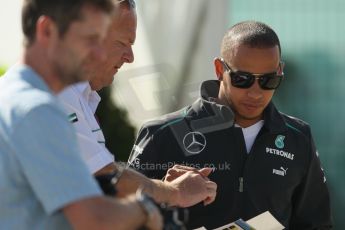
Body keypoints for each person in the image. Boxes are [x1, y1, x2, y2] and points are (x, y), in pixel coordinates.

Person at [129, 21, 332, 229]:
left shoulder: (298, 138)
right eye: (242, 79)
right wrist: (165, 192)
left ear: (280, 71)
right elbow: (122, 216)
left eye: (268, 80)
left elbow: (316, 224)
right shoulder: (161, 134)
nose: (255, 92)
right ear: (219, 69)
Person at [0, 0, 164, 229]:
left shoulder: (20, 96)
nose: (97, 53)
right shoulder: (38, 107)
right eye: (91, 39)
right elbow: (94, 218)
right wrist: (146, 209)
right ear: (48, 31)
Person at [58, 0, 217, 209]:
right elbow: (107, 178)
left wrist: (162, 187)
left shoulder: (76, 95)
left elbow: (99, 185)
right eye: (123, 43)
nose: (130, 57)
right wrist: (175, 191)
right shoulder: (57, 93)